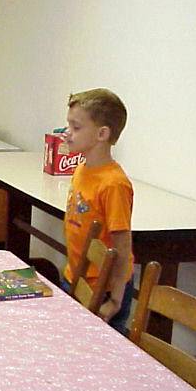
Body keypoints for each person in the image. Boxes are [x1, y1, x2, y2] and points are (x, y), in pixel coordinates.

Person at [61, 88, 134, 335]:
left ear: (102, 134)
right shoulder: (81, 169)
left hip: (103, 290)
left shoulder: (114, 184)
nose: (67, 132)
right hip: (75, 277)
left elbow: (122, 247)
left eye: (76, 127)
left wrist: (115, 300)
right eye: (68, 125)